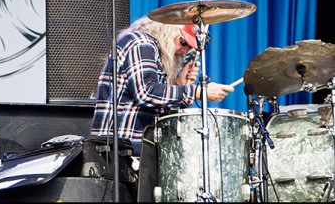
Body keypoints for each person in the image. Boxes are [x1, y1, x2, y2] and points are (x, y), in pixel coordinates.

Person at [90, 15, 234, 157]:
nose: (184, 51)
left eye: (189, 48)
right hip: (119, 152)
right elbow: (146, 92)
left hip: (132, 151)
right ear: (167, 30)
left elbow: (155, 109)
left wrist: (178, 84)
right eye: (183, 42)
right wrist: (197, 91)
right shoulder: (141, 43)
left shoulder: (152, 52)